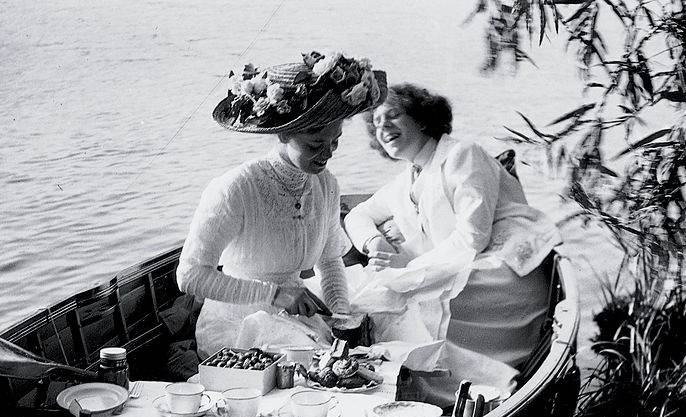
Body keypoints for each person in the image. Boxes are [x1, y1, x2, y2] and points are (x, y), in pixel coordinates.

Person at [343, 83, 561, 398]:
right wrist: (374, 243)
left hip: (503, 273)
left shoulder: (462, 154)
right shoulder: (408, 178)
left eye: (393, 116)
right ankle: (406, 380)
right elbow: (357, 214)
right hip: (462, 266)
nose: (383, 127)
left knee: (405, 300)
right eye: (376, 123)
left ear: (421, 120)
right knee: (380, 296)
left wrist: (410, 266)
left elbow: (473, 238)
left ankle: (461, 384)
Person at [177, 51, 387, 358]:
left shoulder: (326, 185)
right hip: (238, 323)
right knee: (315, 363)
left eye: (335, 141)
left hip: (297, 317)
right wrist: (275, 294)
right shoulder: (237, 187)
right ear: (283, 134)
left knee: (372, 341)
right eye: (315, 145)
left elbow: (329, 262)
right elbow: (190, 276)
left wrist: (341, 316)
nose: (328, 153)